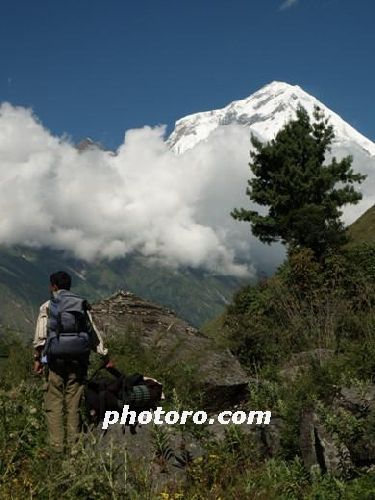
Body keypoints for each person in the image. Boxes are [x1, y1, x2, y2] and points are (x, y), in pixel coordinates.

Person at [33, 271, 112, 453]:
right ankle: (74, 451)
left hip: (55, 362)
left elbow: (40, 338)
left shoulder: (47, 306)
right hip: (78, 362)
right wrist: (104, 355)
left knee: (54, 405)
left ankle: (57, 449)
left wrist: (38, 360)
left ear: (53, 286)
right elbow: (93, 335)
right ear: (69, 286)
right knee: (73, 405)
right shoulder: (80, 306)